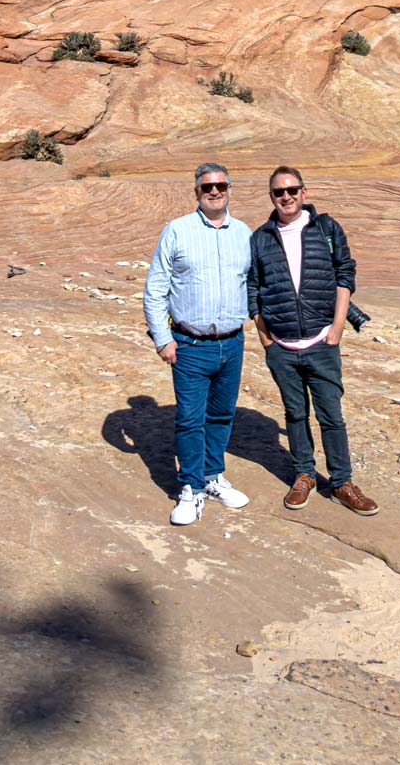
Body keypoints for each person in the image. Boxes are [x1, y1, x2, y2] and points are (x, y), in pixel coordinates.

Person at [248, 166, 377, 515]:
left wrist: (336, 329)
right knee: (294, 414)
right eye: (278, 192)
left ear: (304, 192)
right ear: (271, 196)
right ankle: (304, 474)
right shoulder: (261, 237)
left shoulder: (326, 228)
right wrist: (266, 341)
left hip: (322, 342)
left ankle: (341, 482)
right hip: (282, 348)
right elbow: (253, 291)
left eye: (292, 190)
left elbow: (344, 275)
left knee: (331, 415)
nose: (286, 197)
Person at [143, 162, 255, 526]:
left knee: (221, 415)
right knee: (190, 420)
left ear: (229, 189)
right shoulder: (177, 231)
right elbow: (155, 289)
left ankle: (212, 477)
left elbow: (254, 286)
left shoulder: (243, 233)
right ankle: (189, 488)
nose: (214, 191)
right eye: (207, 186)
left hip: (232, 343)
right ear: (196, 192)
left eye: (220, 185)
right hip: (189, 344)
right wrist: (163, 339)